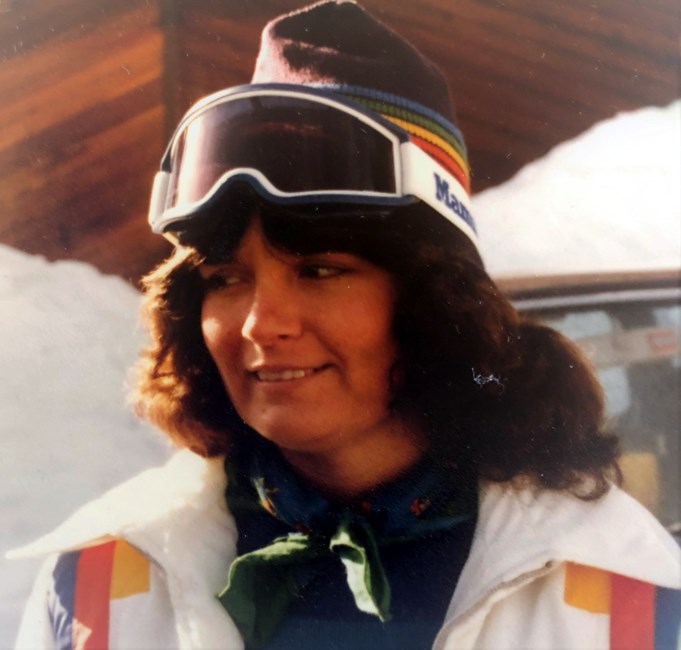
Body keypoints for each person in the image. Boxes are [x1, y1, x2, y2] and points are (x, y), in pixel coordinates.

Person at [12, 1, 681, 648]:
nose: (260, 324)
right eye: (224, 278)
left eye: (319, 270)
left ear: (435, 301)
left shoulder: (623, 588)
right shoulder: (100, 583)